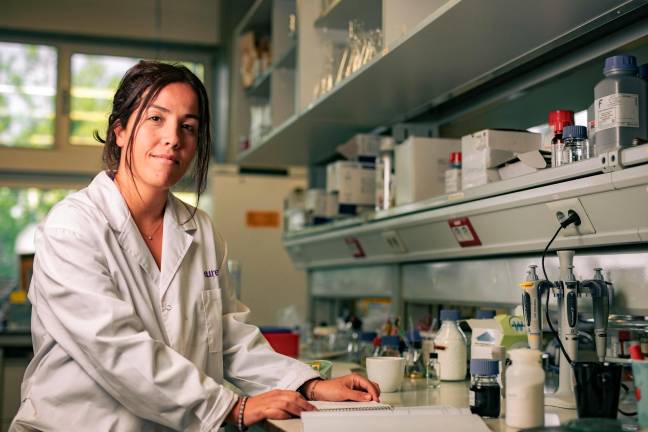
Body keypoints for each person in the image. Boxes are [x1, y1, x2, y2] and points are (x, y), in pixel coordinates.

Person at [11, 61, 379, 431]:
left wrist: (309, 385)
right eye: (156, 119)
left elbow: (229, 338)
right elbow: (116, 350)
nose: (173, 138)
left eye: (188, 127)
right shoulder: (72, 227)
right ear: (120, 131)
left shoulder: (199, 230)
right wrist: (231, 407)